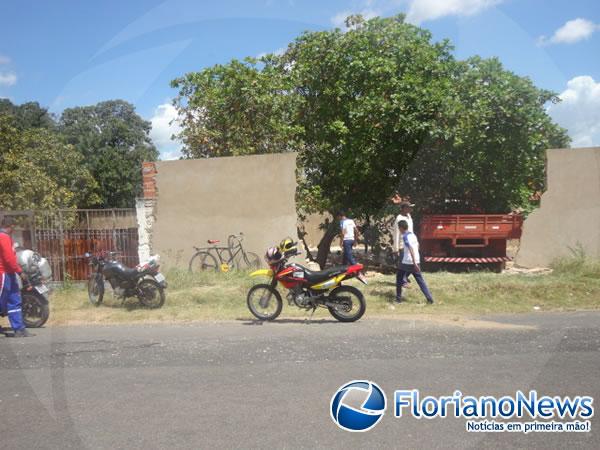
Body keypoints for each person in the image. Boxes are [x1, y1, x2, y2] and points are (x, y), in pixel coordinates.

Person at [0, 216, 32, 337]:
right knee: (2, 300)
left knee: (15, 300)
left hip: (10, 273)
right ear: (11, 226)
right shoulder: (3, 237)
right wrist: (20, 271)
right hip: (3, 273)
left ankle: (19, 329)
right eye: (14, 227)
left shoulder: (6, 237)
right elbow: (8, 258)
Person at [396, 220, 434, 304]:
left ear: (401, 228)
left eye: (399, 228)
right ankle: (430, 299)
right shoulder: (413, 235)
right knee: (420, 281)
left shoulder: (405, 236)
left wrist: (414, 263)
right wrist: (416, 261)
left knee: (399, 278)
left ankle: (398, 299)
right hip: (417, 259)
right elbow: (417, 246)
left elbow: (411, 249)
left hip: (408, 262)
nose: (399, 230)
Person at [393, 201, 414, 286]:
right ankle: (402, 281)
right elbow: (396, 234)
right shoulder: (399, 219)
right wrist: (396, 249)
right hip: (403, 245)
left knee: (413, 262)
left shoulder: (409, 216)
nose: (411, 209)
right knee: (403, 265)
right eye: (409, 207)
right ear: (404, 208)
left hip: (410, 243)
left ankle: (404, 277)